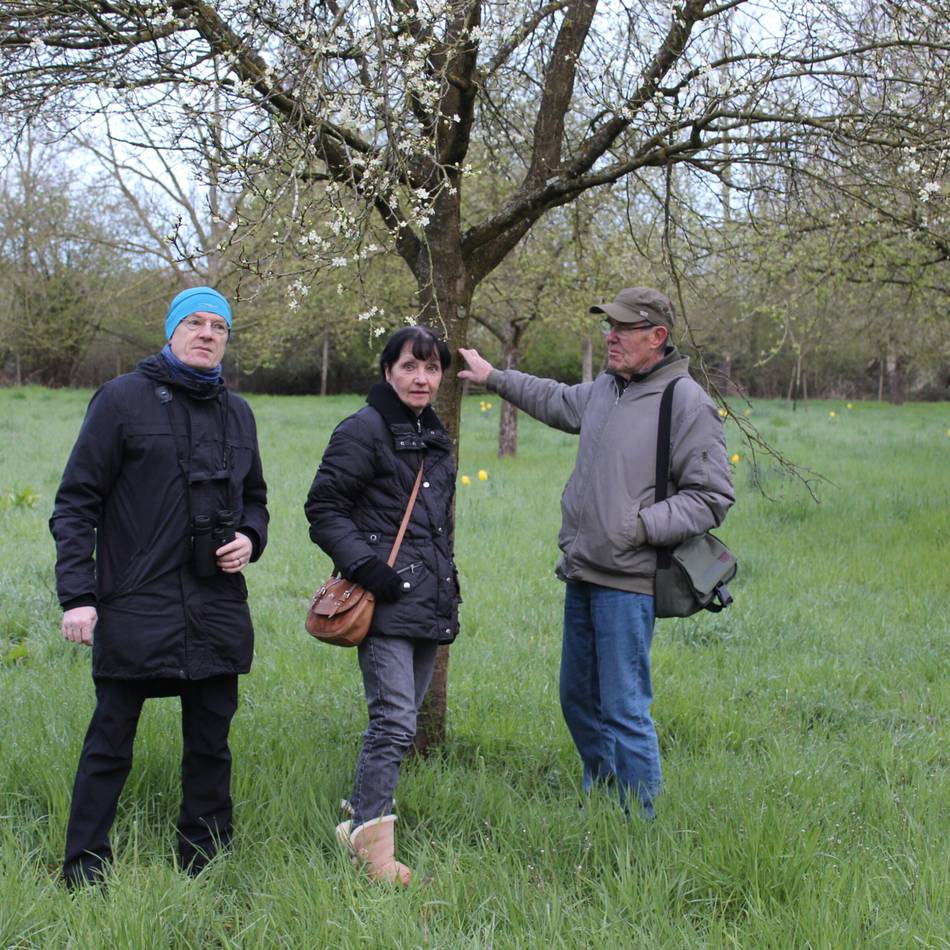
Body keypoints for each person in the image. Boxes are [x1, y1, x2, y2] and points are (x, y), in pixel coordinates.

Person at [458, 287, 734, 818]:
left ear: (657, 337)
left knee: (625, 707)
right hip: (583, 570)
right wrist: (494, 377)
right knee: (578, 699)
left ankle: (640, 823)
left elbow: (712, 496)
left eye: (623, 329)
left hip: (628, 580)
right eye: (609, 327)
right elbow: (558, 400)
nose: (611, 336)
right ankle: (604, 795)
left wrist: (639, 526)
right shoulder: (610, 388)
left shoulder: (686, 402)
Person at [50, 286, 269, 887]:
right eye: (194, 323)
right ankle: (84, 870)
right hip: (134, 604)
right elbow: (75, 505)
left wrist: (251, 536)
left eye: (219, 326)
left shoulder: (239, 413)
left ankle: (205, 865)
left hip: (216, 605)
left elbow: (257, 500)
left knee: (210, 745)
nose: (207, 333)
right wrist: (78, 594)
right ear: (171, 331)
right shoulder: (121, 401)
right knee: (109, 744)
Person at [305, 326, 460, 885]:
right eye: (410, 367)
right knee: (393, 720)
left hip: (426, 599)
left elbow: (432, 527)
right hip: (382, 598)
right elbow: (323, 509)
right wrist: (369, 568)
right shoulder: (363, 430)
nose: (422, 378)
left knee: (403, 719)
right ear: (388, 370)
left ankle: (357, 820)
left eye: (432, 368)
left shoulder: (434, 436)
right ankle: (371, 846)